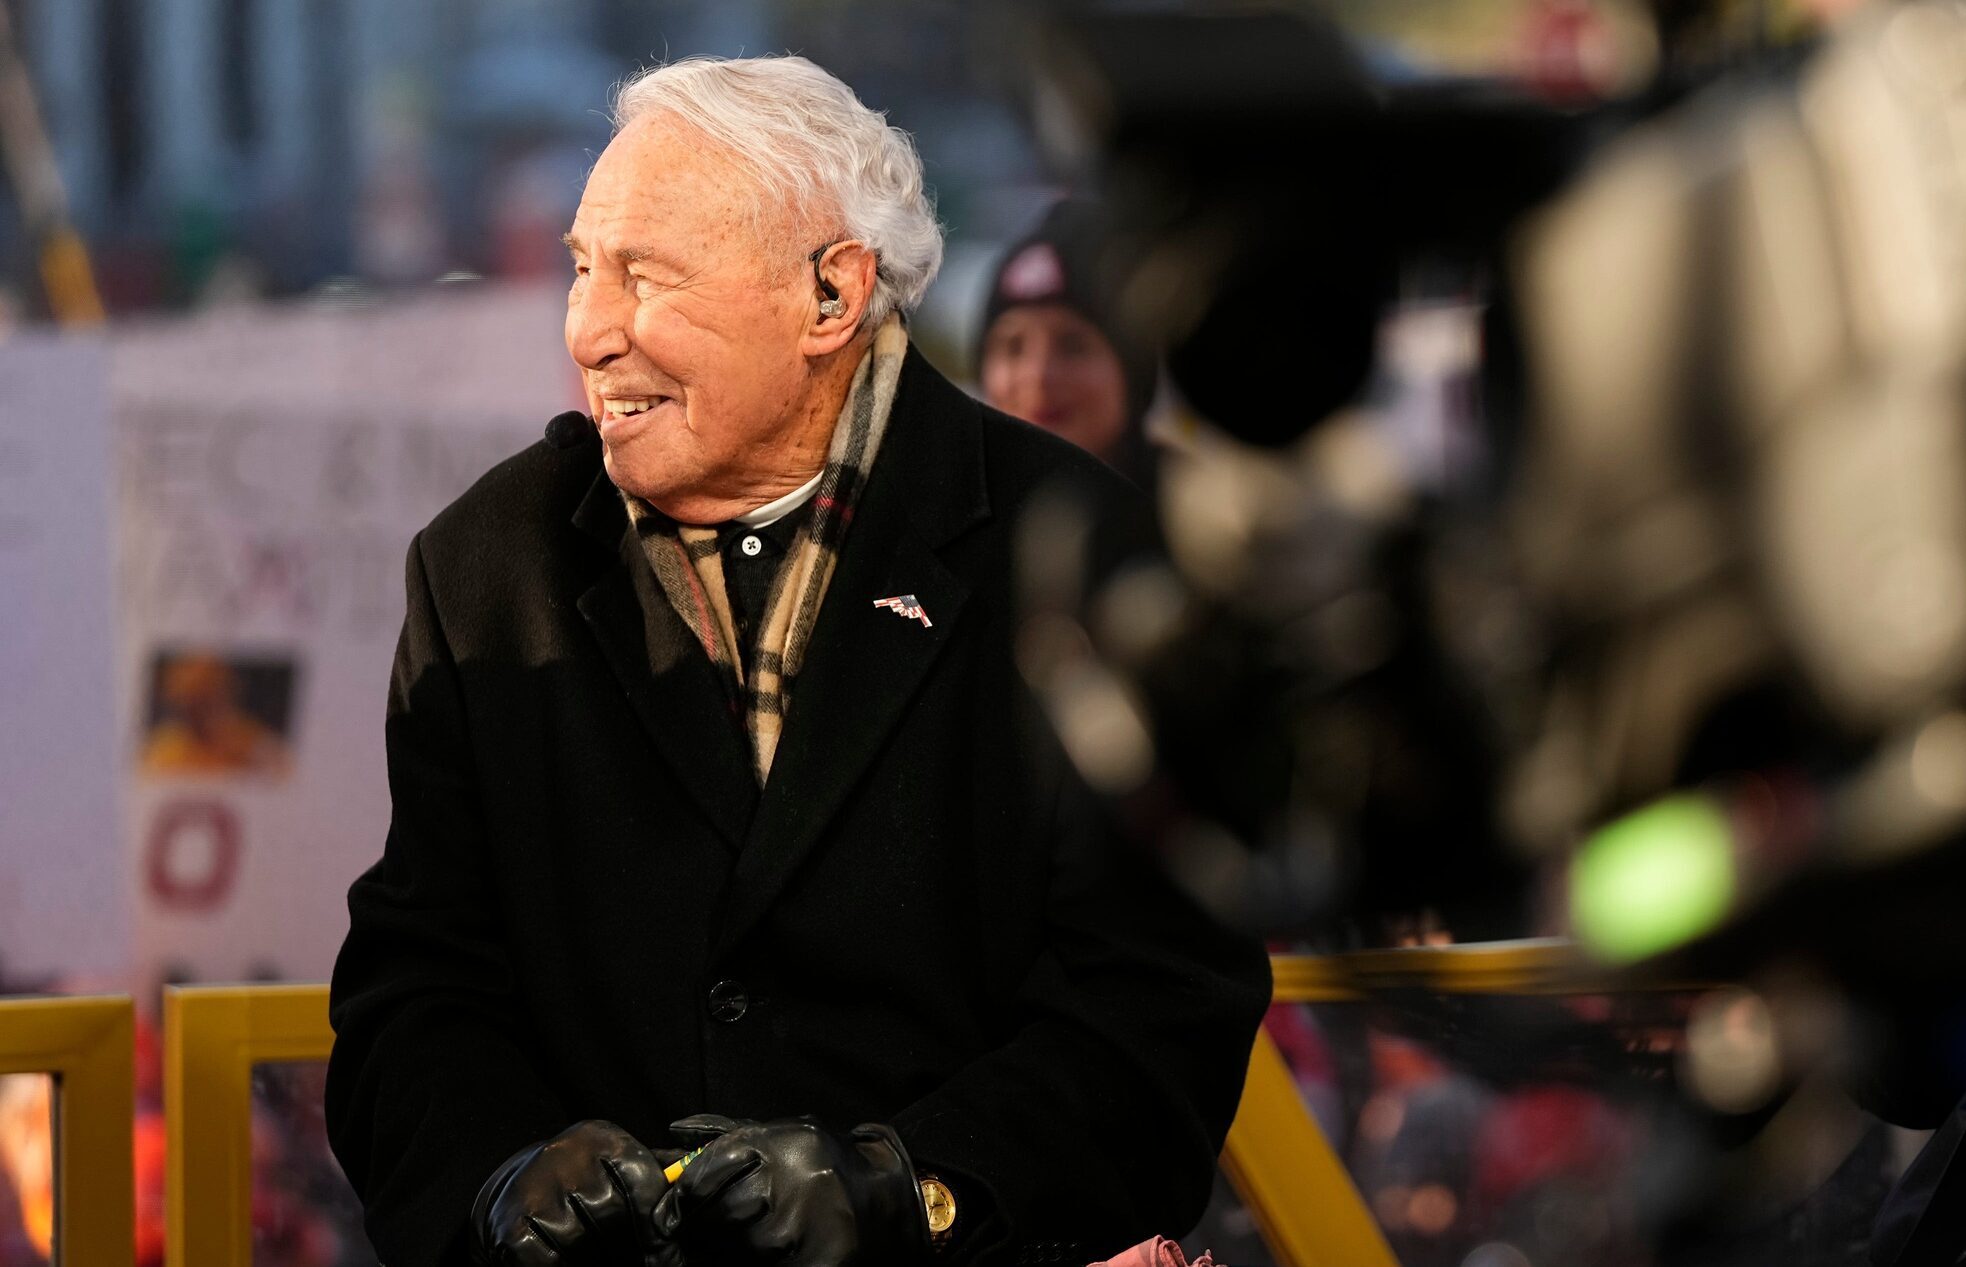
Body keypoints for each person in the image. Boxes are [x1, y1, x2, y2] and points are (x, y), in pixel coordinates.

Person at [324, 56, 1269, 1267]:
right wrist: (501, 1177)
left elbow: (1160, 1005)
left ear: (831, 292)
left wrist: (911, 1187)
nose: (589, 330)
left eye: (644, 277)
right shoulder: (486, 569)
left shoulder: (1079, 551)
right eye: (580, 268)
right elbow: (416, 995)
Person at [977, 199, 1159, 483]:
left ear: (1134, 369)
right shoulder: (942, 510)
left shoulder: (1194, 514)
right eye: (1013, 347)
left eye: (1073, 346)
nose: (1037, 376)